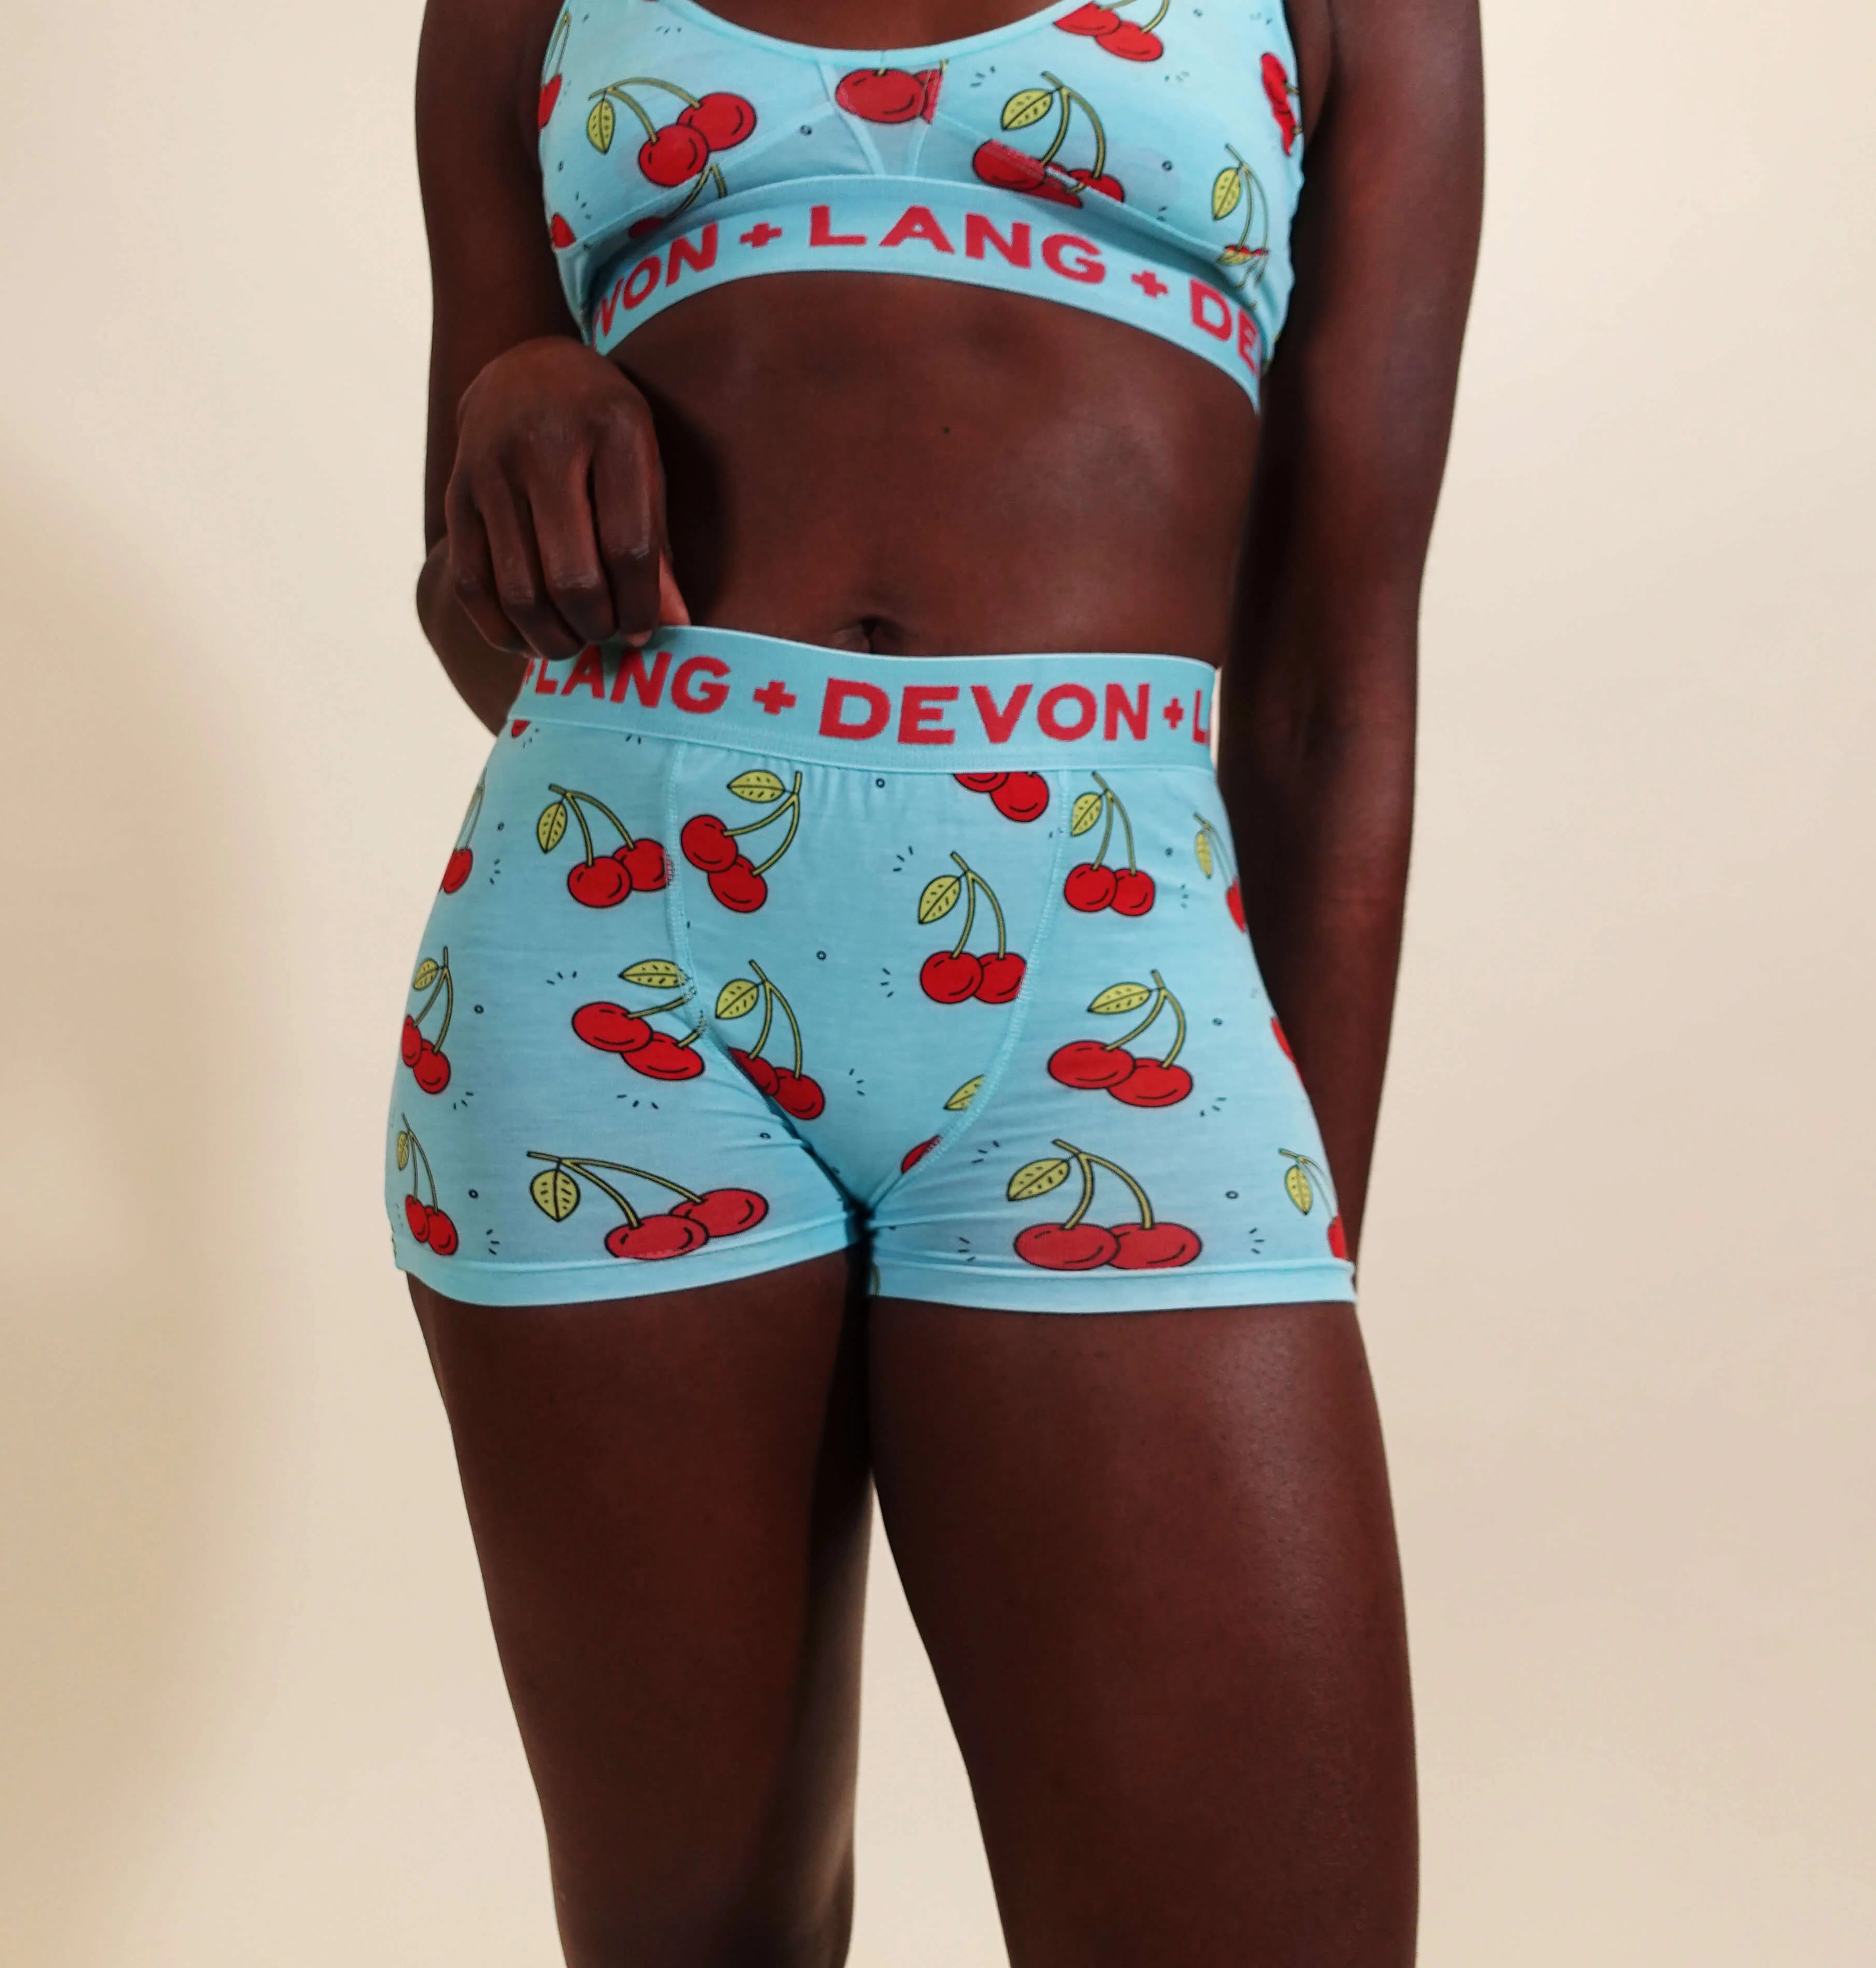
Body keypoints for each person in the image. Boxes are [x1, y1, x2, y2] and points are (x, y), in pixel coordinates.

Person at [391, 0, 1480, 1957]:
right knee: (710, 1931)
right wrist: (515, 400)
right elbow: (480, 603)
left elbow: (1334, 683)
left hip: (1111, 966)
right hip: (617, 968)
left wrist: (1290, 1241)